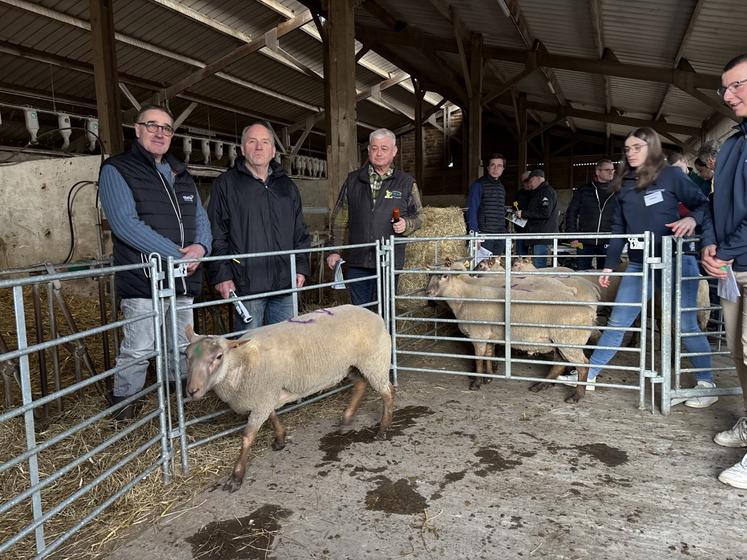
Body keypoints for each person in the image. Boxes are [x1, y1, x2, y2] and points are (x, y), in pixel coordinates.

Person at [558, 127, 716, 406]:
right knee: (618, 320)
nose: (631, 153)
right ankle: (589, 375)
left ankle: (706, 384)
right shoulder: (624, 182)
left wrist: (692, 220)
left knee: (686, 322)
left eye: (637, 148)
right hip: (639, 263)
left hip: (676, 260)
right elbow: (620, 226)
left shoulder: (670, 175)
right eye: (628, 149)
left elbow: (703, 204)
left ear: (652, 148)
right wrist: (607, 267)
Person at [98, 104, 212, 421]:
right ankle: (125, 404)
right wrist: (178, 255)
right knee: (140, 346)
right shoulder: (117, 169)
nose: (160, 132)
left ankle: (177, 399)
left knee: (180, 343)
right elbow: (125, 224)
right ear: (137, 130)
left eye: (166, 127)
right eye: (152, 125)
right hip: (143, 278)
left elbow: (201, 220)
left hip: (182, 277)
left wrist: (201, 248)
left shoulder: (181, 173)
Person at [207, 122, 310, 331]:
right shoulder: (226, 185)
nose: (259, 147)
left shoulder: (286, 186)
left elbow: (299, 230)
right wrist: (222, 274)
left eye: (265, 142)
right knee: (248, 349)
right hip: (246, 284)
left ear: (273, 151)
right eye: (252, 142)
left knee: (285, 345)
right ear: (243, 149)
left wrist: (300, 266)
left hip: (285, 283)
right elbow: (217, 232)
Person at [700, 53, 747, 490]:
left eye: (738, 85)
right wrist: (710, 243)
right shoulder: (732, 143)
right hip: (734, 268)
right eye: (725, 88)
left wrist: (727, 249)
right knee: (737, 351)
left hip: (741, 259)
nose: (728, 95)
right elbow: (713, 201)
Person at [327, 128, 424, 306]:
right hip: (359, 259)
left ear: (394, 152)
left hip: (389, 260)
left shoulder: (406, 182)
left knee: (385, 309)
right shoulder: (353, 180)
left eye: (384, 148)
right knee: (360, 311)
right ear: (369, 150)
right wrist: (334, 250)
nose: (378, 153)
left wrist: (407, 224)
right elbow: (340, 217)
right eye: (374, 148)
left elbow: (419, 216)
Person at [565, 159, 616, 270]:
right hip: (584, 240)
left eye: (613, 170)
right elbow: (571, 212)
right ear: (598, 172)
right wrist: (572, 236)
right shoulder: (584, 190)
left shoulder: (618, 191)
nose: (611, 172)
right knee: (583, 272)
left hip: (608, 240)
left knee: (607, 275)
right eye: (607, 170)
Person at [466, 153, 508, 256]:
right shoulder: (478, 185)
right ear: (488, 168)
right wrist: (475, 235)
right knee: (482, 268)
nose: (495, 168)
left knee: (496, 267)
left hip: (499, 235)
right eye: (492, 165)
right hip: (484, 235)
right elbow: (472, 210)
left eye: (499, 166)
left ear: (503, 169)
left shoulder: (501, 188)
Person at [515, 169, 558, 268]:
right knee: (536, 263)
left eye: (531, 180)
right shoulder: (538, 192)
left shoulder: (546, 192)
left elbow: (545, 213)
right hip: (537, 234)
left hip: (541, 235)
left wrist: (524, 213)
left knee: (539, 264)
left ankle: (540, 282)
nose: (529, 183)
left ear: (538, 179)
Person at [513, 171, 533, 258]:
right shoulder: (519, 194)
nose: (525, 183)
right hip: (521, 229)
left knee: (536, 257)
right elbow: (514, 206)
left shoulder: (537, 193)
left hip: (534, 230)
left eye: (527, 180)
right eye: (523, 181)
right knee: (520, 256)